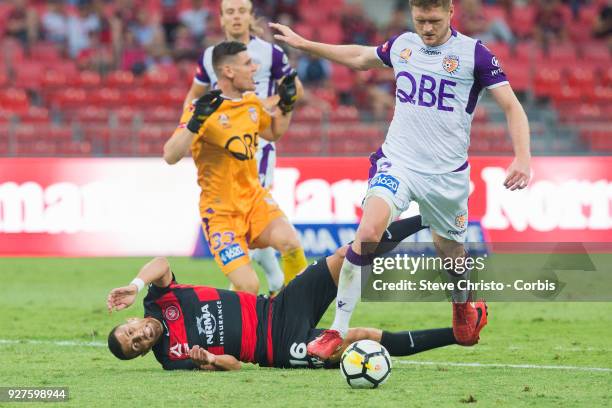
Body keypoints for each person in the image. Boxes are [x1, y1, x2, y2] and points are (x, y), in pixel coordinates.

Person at [270, 0, 530, 359]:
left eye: (434, 20)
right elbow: (361, 57)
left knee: (451, 253)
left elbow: (512, 106)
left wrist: (523, 157)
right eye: (420, 19)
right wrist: (304, 44)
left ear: (450, 12)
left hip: (446, 177)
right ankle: (336, 330)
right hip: (398, 163)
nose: (427, 27)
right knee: (368, 234)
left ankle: (461, 306)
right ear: (412, 13)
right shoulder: (404, 45)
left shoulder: (475, 54)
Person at [106, 216, 489, 370]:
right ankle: (458, 335)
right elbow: (235, 366)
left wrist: (134, 284)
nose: (139, 337)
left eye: (131, 333)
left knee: (349, 254)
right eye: (136, 345)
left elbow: (160, 262)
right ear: (142, 352)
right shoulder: (172, 359)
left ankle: (428, 218)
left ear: (132, 319)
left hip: (278, 306)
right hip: (278, 348)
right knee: (362, 339)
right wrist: (209, 357)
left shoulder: (158, 299)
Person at [182, 0, 305, 294]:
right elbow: (193, 96)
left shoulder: (269, 52)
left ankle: (257, 286)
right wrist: (189, 128)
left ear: (250, 16)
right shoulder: (212, 56)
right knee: (246, 218)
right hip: (224, 145)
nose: (236, 16)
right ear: (222, 19)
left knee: (254, 212)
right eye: (230, 12)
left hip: (259, 142)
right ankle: (265, 282)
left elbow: (294, 89)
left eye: (241, 11)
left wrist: (266, 105)